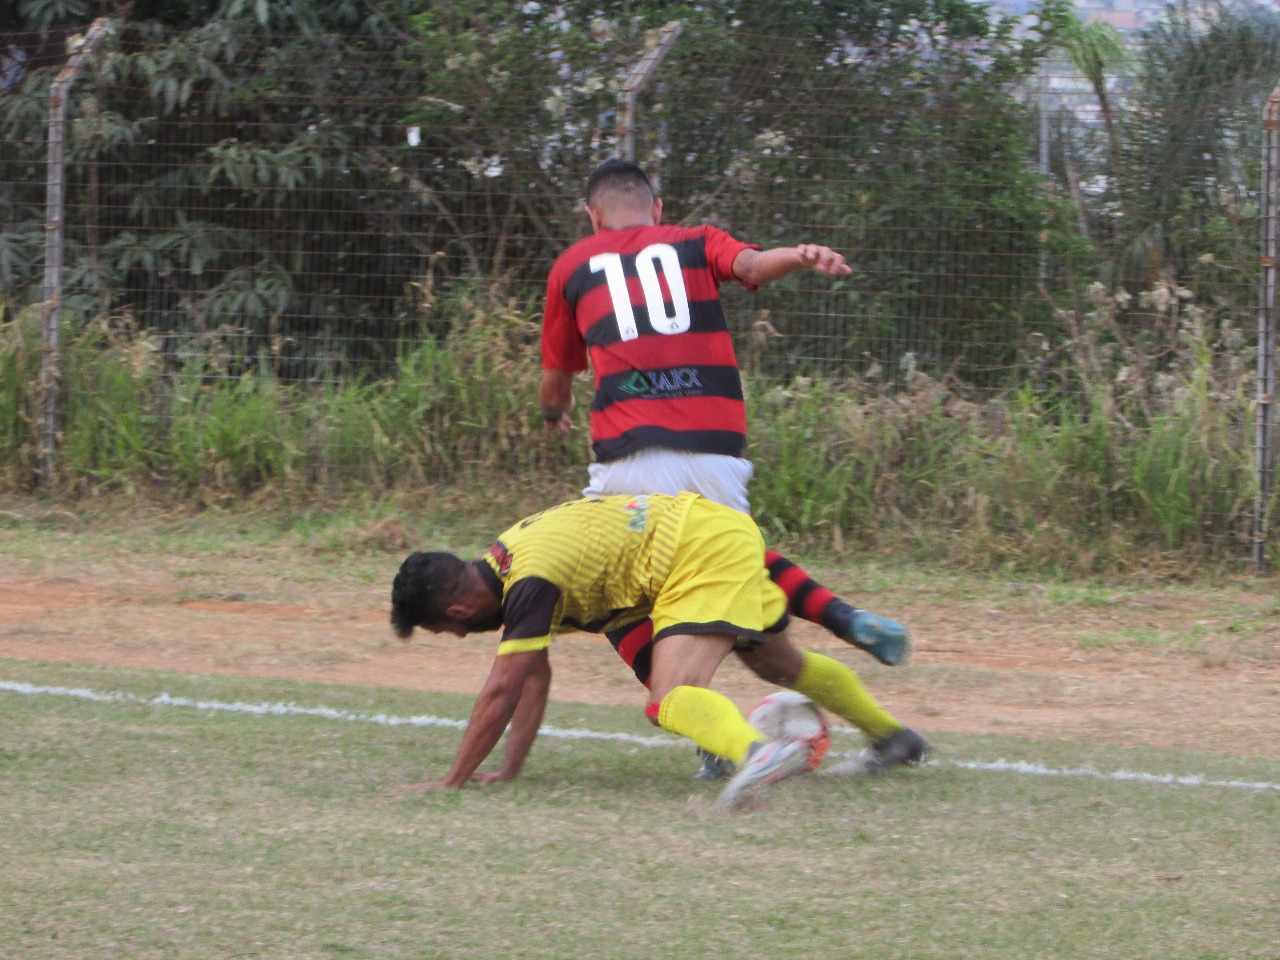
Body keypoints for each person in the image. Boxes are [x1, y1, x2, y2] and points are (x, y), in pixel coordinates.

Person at [538, 159, 917, 777]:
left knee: (619, 604)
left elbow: (558, 376)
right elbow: (750, 266)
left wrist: (552, 411)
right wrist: (798, 254)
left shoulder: (572, 266)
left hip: (628, 468)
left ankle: (720, 739)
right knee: (764, 643)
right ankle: (886, 723)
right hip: (717, 463)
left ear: (592, 215)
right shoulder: (694, 241)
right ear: (657, 208)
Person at [389, 492, 928, 812]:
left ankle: (756, 752)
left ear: (456, 613)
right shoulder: (511, 558)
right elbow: (532, 677)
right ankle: (893, 738)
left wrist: (451, 780)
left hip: (695, 553)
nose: (459, 639)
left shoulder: (528, 582)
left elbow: (502, 688)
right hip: (716, 530)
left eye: (445, 632)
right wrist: (509, 769)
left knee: (667, 698)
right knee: (776, 662)